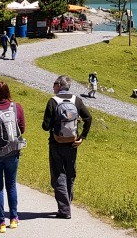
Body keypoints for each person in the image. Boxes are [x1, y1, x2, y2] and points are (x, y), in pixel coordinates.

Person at [42, 75, 92, 219]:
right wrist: (82, 137)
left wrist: (53, 124)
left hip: (56, 144)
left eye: (54, 84)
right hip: (72, 143)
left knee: (58, 175)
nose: (53, 87)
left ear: (59, 85)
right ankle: (67, 203)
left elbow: (45, 126)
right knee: (70, 174)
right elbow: (88, 118)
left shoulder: (53, 101)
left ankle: (64, 210)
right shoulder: (76, 100)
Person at [0, 81, 26, 232]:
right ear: (8, 92)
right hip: (13, 153)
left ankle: (1, 223)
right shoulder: (17, 108)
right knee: (11, 185)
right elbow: (22, 128)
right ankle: (14, 218)